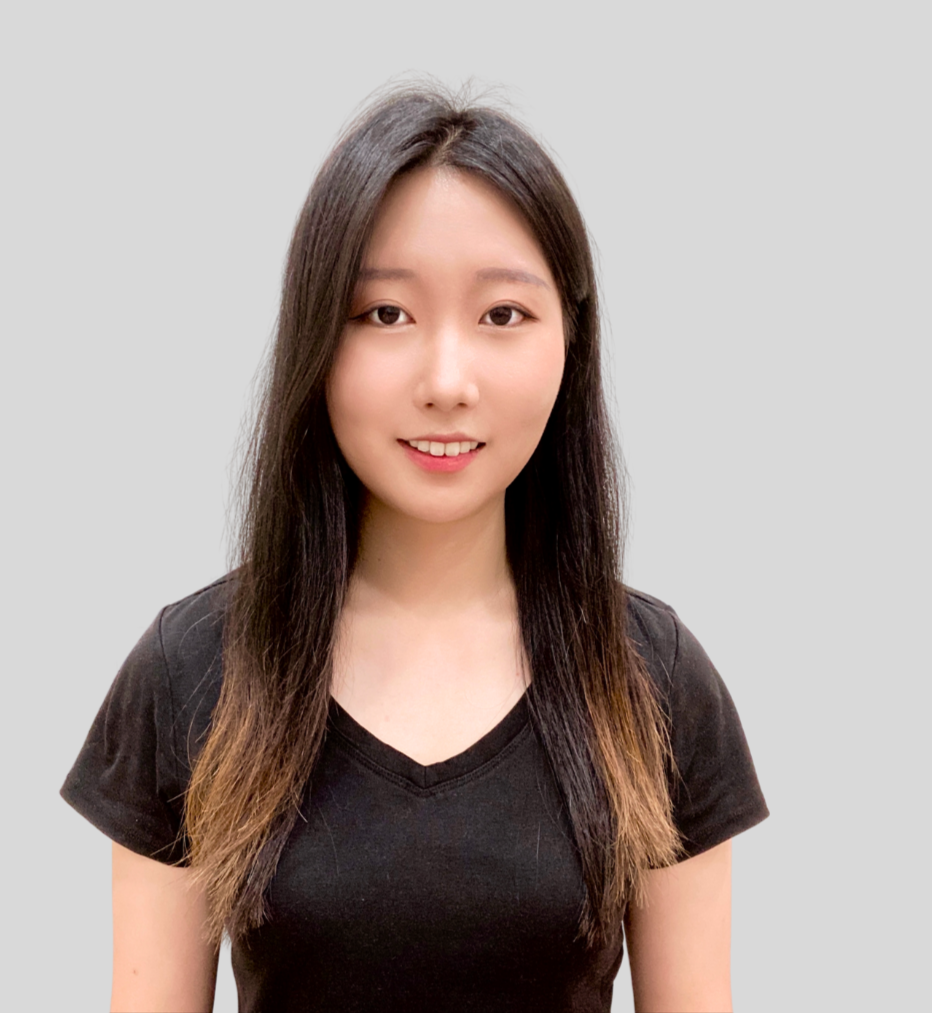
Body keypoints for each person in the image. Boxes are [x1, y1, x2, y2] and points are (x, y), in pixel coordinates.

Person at [61, 82, 768, 1013]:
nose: (446, 381)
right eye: (385, 315)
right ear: (316, 338)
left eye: (503, 316)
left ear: (571, 340)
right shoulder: (192, 668)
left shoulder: (651, 679)